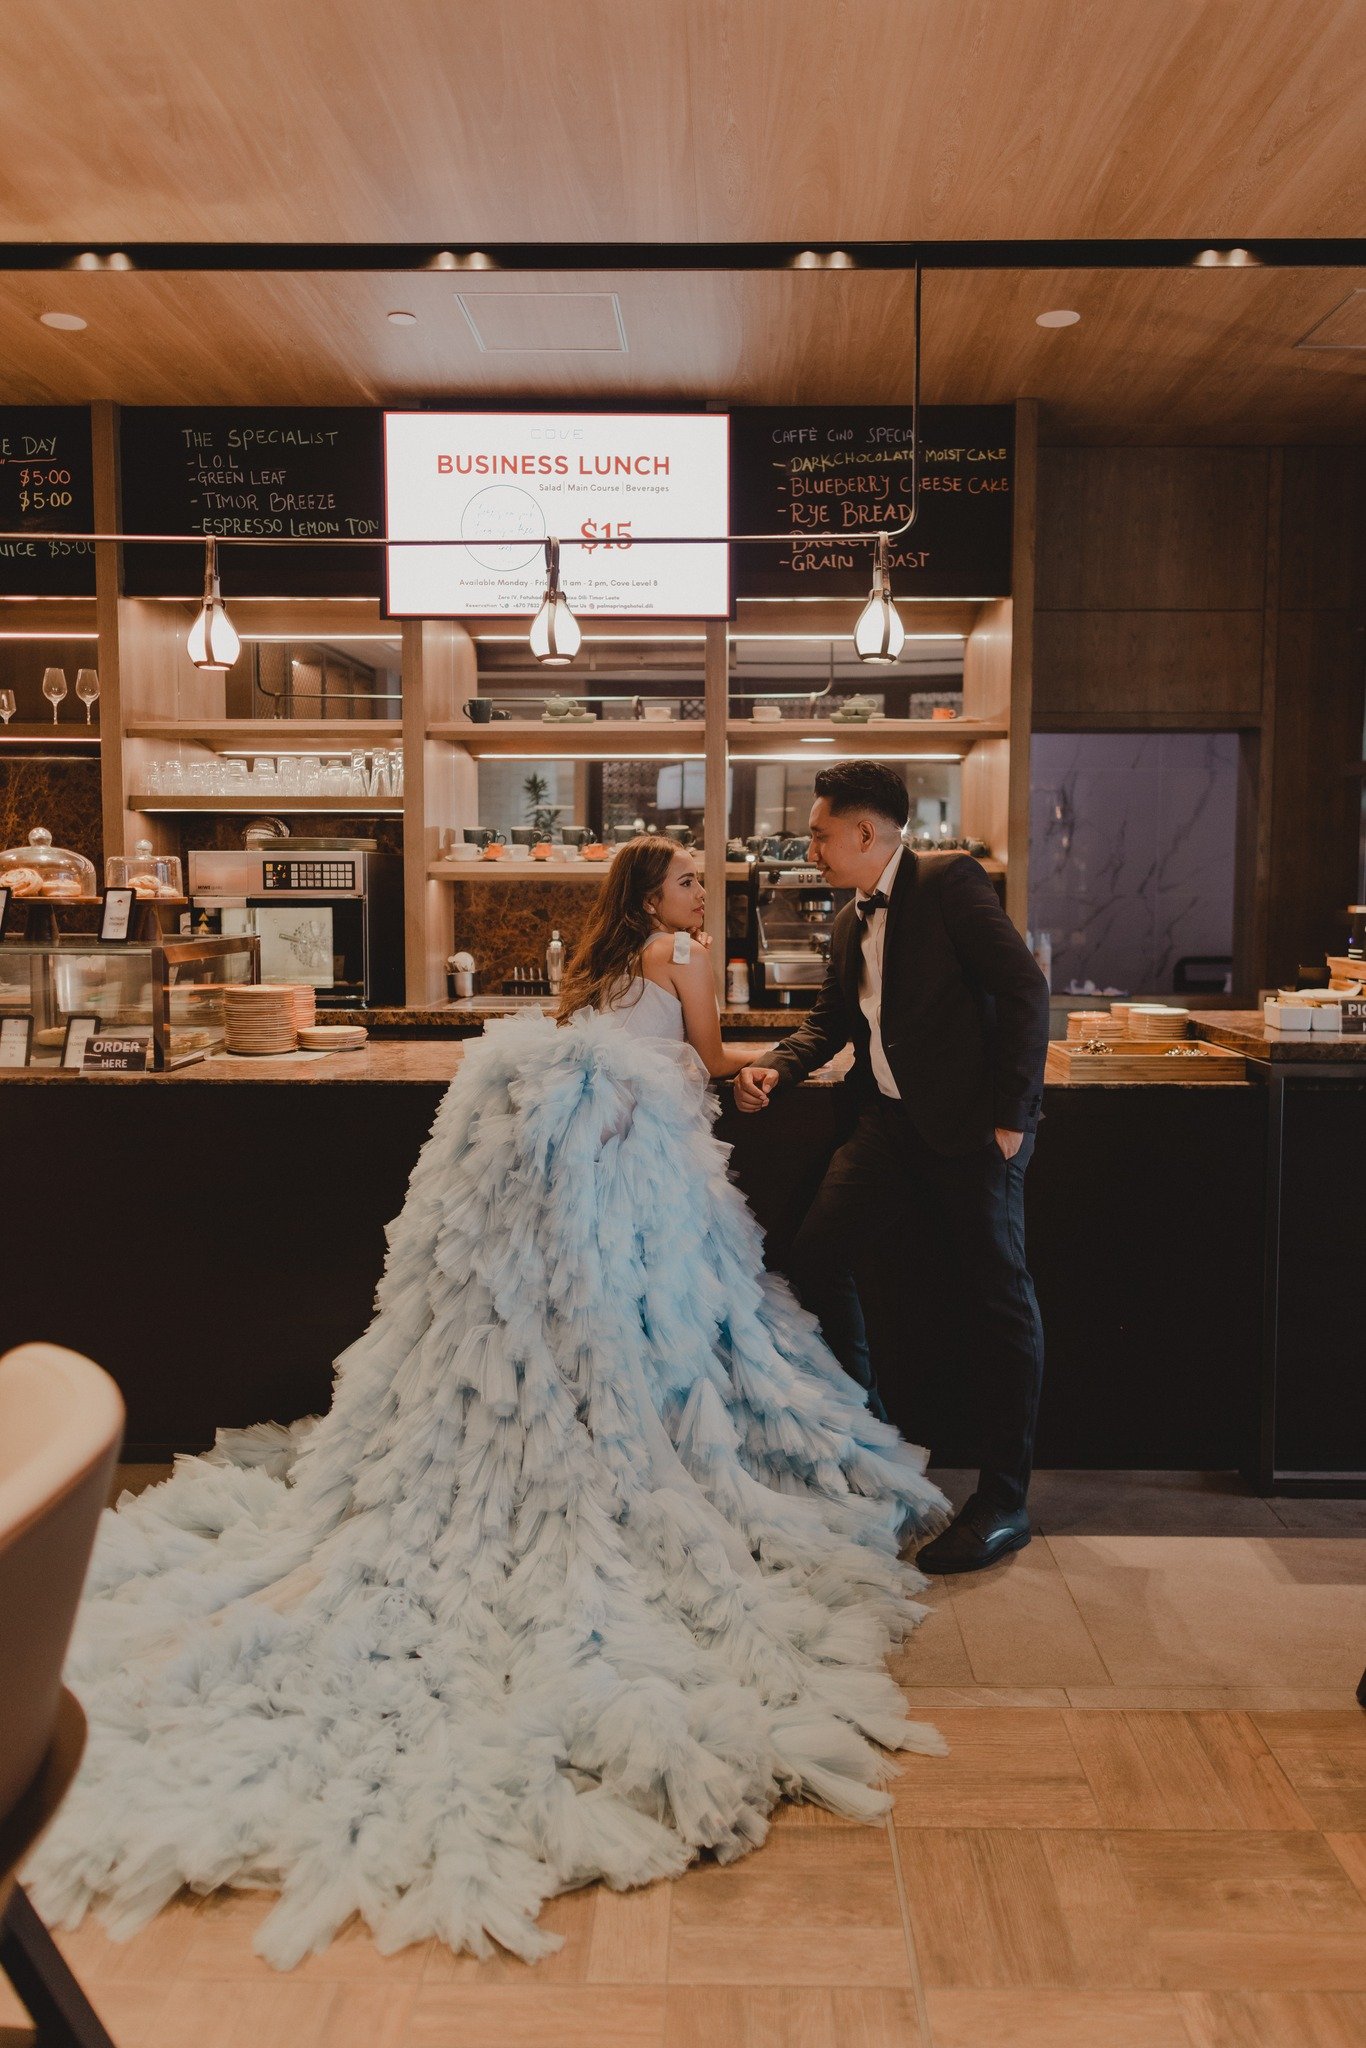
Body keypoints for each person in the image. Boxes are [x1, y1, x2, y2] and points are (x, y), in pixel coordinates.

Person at [30, 836, 947, 1972]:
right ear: (654, 896)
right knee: (678, 1334)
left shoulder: (599, 964)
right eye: (686, 880)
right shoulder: (684, 955)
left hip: (581, 1181)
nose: (699, 892)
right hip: (652, 1173)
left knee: (581, 1339)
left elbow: (622, 1059)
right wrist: (753, 1072)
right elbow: (708, 1058)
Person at [735, 763, 1050, 1576]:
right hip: (887, 1127)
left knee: (998, 1300)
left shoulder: (948, 882)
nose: (810, 848)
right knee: (814, 1257)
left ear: (864, 831)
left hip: (972, 1132)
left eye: (818, 834)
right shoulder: (849, 919)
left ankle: (1004, 1502)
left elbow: (1025, 990)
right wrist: (777, 1066)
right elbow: (831, 1022)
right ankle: (868, 1438)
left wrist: (1013, 1118)